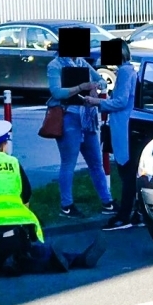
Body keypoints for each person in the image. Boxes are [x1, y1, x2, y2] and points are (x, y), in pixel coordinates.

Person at [0, 120, 104, 278]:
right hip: (13, 239)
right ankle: (73, 259)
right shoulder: (14, 165)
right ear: (4, 145)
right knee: (34, 252)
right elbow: (25, 201)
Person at [48, 46, 113, 217]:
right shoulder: (55, 65)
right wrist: (81, 87)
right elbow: (56, 92)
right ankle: (66, 205)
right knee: (68, 162)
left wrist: (95, 86)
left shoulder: (82, 62)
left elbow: (103, 81)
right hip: (68, 115)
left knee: (96, 162)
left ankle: (107, 201)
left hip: (86, 116)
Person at [97, 42, 138, 231]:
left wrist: (98, 102)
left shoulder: (123, 72)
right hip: (127, 123)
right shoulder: (130, 70)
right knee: (129, 170)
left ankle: (125, 214)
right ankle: (135, 211)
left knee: (125, 169)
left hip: (123, 124)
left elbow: (121, 101)